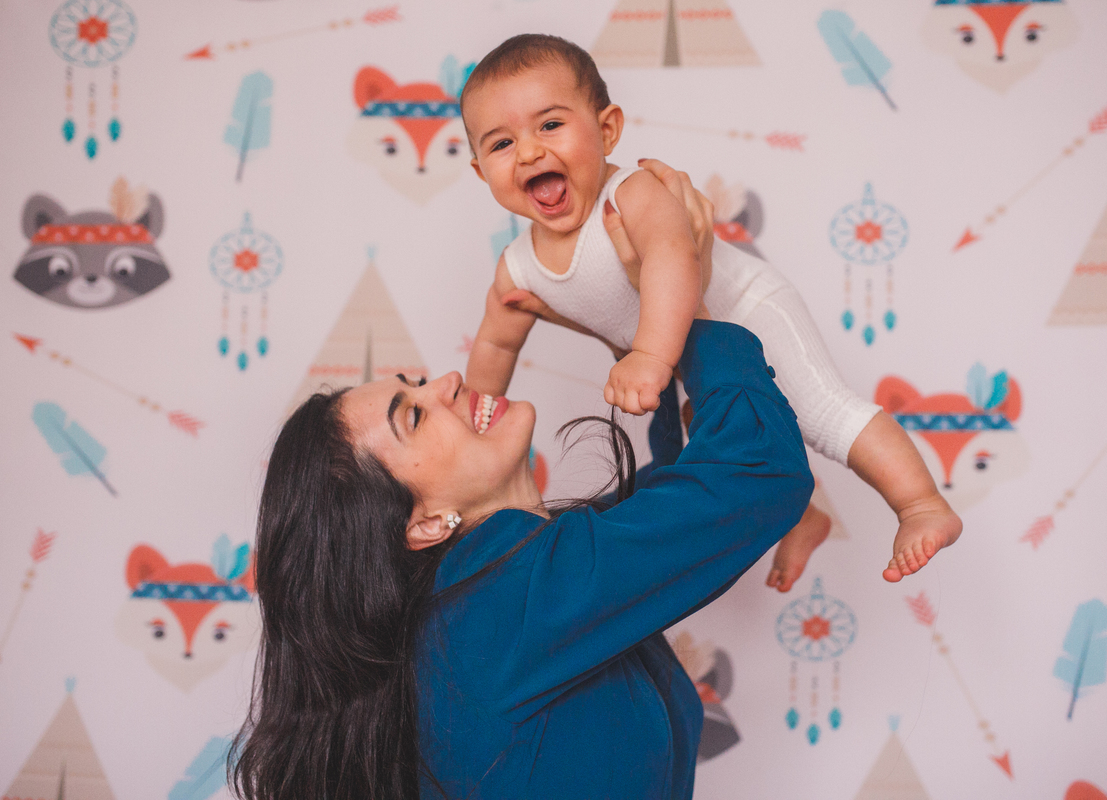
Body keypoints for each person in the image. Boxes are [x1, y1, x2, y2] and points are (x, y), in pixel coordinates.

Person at [231, 169, 813, 798]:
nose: (448, 381)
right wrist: (683, 295)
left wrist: (654, 324)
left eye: (417, 381)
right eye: (416, 416)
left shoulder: (494, 595)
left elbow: (670, 504)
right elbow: (758, 472)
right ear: (423, 523)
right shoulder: (503, 608)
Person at [460, 34, 961, 588]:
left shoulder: (630, 193)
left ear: (607, 131)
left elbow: (675, 256)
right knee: (731, 445)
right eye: (501, 144)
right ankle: (802, 517)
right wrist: (474, 424)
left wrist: (649, 355)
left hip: (745, 311)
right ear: (482, 171)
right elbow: (496, 344)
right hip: (690, 355)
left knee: (820, 412)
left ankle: (920, 503)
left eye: (550, 125)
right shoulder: (519, 267)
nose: (529, 152)